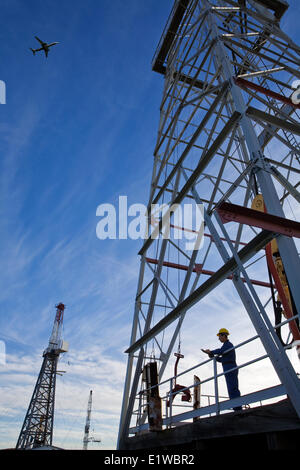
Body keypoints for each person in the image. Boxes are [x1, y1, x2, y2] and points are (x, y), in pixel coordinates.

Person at [202, 328, 242, 411]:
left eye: (219, 336)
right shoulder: (225, 346)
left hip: (230, 367)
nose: (218, 338)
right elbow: (221, 359)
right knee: (231, 387)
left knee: (232, 387)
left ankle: (238, 407)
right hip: (227, 366)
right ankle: (236, 407)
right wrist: (212, 356)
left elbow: (221, 351)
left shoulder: (228, 345)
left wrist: (211, 352)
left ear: (224, 335)